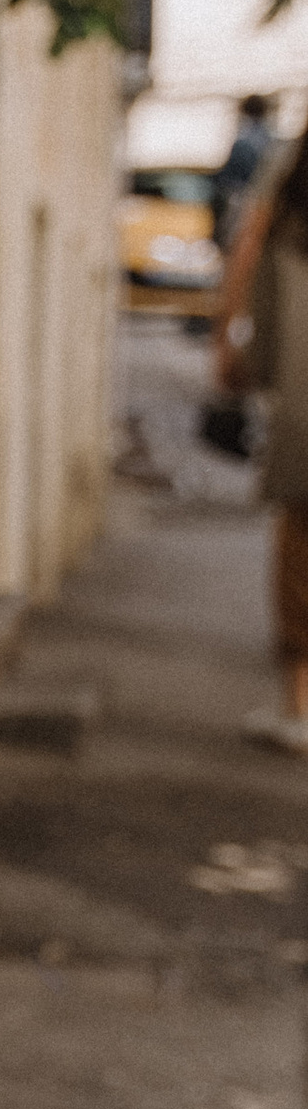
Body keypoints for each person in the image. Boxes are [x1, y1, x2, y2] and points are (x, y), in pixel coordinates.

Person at [215, 132, 308, 756]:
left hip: (305, 409)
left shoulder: (289, 207)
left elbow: (252, 258)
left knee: (300, 555)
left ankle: (300, 707)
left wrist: (235, 346)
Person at [215, 93, 275, 256]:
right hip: (266, 205)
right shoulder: (271, 138)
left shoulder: (244, 140)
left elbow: (228, 179)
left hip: (243, 201)